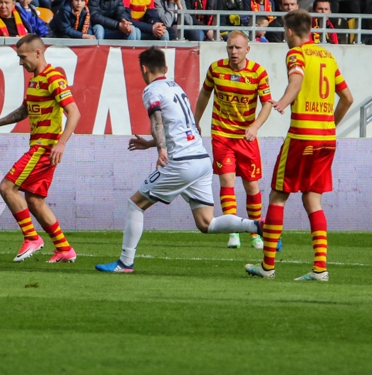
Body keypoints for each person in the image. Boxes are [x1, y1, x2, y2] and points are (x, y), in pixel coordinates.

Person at [95, 47, 260, 274]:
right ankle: (257, 225)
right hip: (201, 160)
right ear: (166, 68)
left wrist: (161, 149)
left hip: (181, 162)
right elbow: (180, 127)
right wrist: (151, 143)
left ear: (144, 69)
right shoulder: (176, 87)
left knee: (135, 204)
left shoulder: (151, 90)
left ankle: (125, 263)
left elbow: (158, 122)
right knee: (206, 223)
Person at [245, 9, 353, 281]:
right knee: (312, 198)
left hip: (303, 136)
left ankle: (267, 266)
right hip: (326, 139)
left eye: (285, 31)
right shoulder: (327, 56)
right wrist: (329, 125)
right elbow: (348, 98)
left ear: (290, 31)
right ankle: (320, 269)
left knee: (278, 196)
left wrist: (283, 101)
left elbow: (296, 80)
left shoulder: (296, 53)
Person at [0, 34, 81, 263]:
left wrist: (62, 143)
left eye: (23, 57)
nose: (20, 62)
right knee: (34, 200)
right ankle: (64, 249)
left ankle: (32, 237)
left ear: (38, 52)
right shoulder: (35, 81)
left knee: (7, 187)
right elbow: (24, 111)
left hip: (44, 148)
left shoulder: (54, 78)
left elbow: (74, 113)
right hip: (41, 147)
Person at [194, 31, 272, 249]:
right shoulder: (216, 69)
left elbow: (267, 103)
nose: (234, 51)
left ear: (248, 49)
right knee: (226, 181)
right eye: (230, 47)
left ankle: (255, 233)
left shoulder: (258, 72)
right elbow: (204, 94)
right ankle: (233, 232)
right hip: (222, 135)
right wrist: (195, 120)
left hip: (246, 137)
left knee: (251, 185)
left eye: (238, 47)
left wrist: (255, 126)